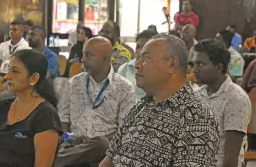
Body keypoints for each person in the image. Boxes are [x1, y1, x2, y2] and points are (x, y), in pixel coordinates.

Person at [99, 35, 220, 167]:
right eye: (138, 58)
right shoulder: (141, 107)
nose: (137, 65)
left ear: (172, 64)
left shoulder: (196, 116)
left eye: (145, 58)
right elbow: (107, 161)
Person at [55, 36, 136, 167]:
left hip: (105, 148)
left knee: (101, 144)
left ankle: (52, 162)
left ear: (105, 58)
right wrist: (67, 137)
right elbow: (63, 118)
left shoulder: (124, 88)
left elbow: (124, 129)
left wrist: (94, 141)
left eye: (88, 55)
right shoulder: (73, 83)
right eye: (83, 54)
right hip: (73, 143)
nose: (82, 60)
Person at [0, 49, 62, 167]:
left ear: (34, 78)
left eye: (15, 71)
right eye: (8, 69)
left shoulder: (45, 115)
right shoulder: (1, 107)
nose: (8, 76)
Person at [192, 39, 251, 167]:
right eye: (194, 64)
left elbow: (230, 157)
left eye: (200, 64)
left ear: (218, 67)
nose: (194, 70)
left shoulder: (236, 99)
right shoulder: (197, 95)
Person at [117, 30, 156, 101]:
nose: (140, 51)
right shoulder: (125, 68)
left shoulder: (157, 70)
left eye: (144, 47)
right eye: (138, 46)